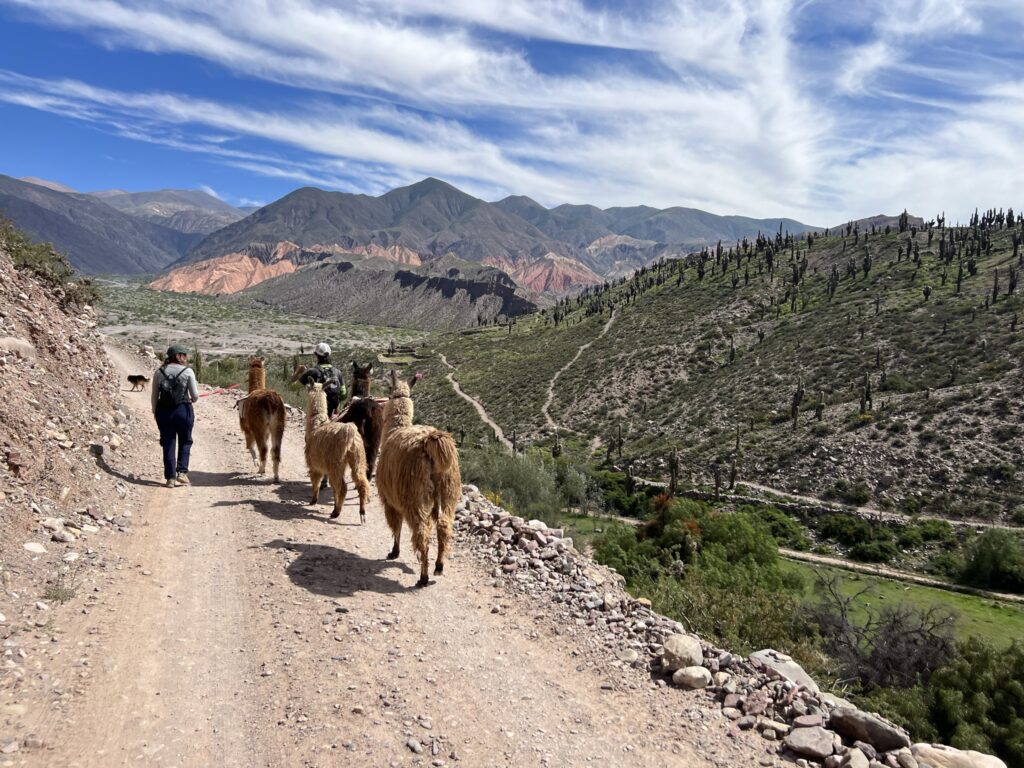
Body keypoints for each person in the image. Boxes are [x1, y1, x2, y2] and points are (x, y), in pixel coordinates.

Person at [152, 344, 199, 488]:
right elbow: (195, 396)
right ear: (178, 356)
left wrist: (155, 412)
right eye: (184, 355)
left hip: (163, 412)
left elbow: (154, 396)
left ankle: (170, 478)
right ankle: (182, 473)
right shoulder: (188, 371)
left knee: (168, 443)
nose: (186, 357)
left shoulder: (159, 372)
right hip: (183, 410)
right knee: (185, 440)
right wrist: (192, 399)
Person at [298, 342, 346, 417]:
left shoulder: (312, 371)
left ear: (316, 355)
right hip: (334, 413)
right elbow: (344, 394)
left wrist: (298, 373)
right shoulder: (338, 372)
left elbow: (293, 387)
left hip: (317, 413)